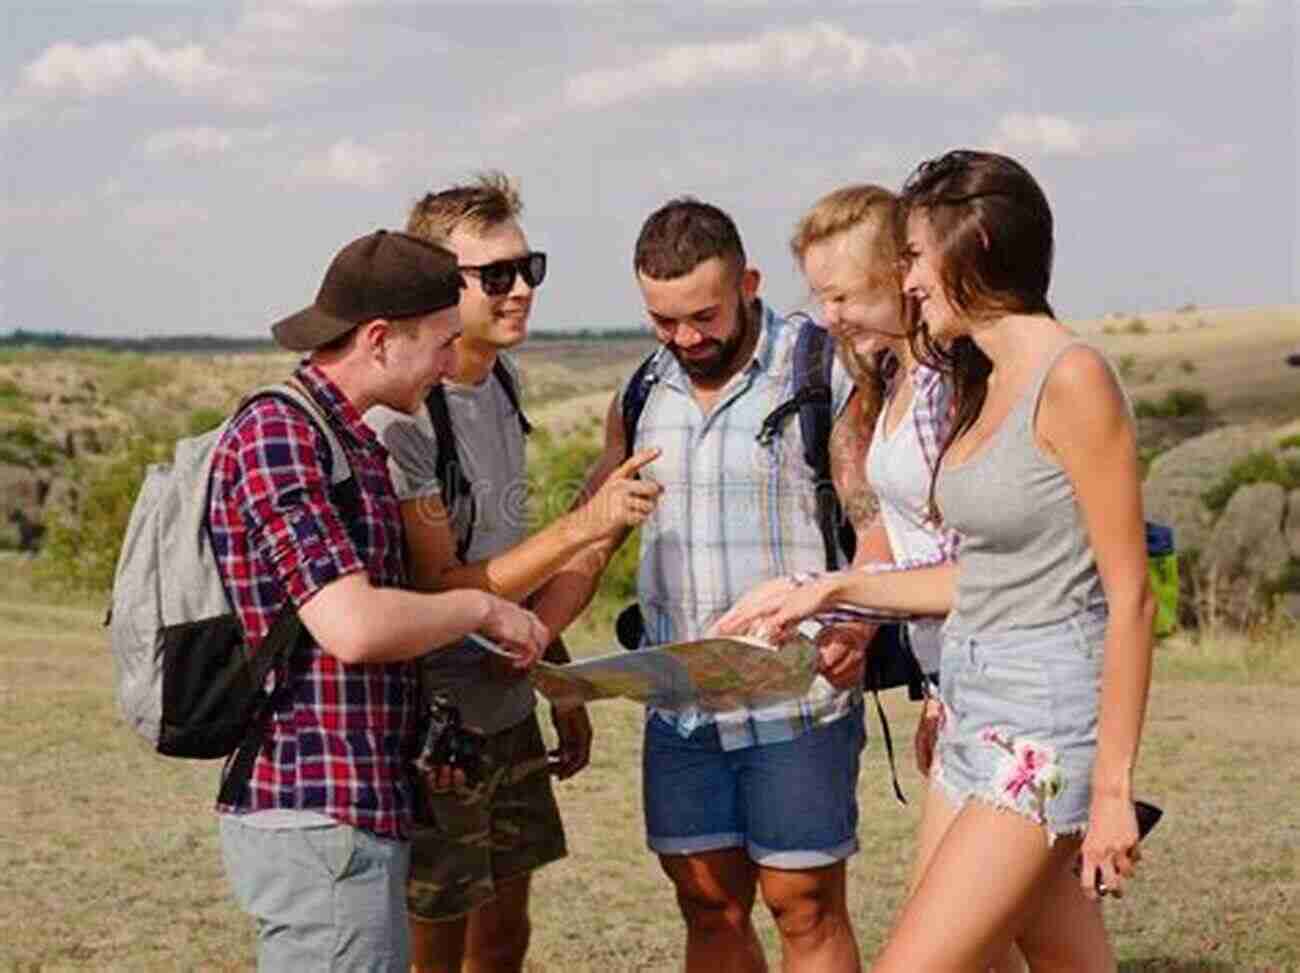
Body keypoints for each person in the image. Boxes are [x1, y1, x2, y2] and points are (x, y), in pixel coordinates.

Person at [717, 150, 1155, 971]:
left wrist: (1111, 791)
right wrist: (831, 588)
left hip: (1044, 723)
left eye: (915, 255)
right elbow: (978, 575)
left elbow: (1129, 597)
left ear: (976, 245)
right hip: (969, 703)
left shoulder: (1074, 378)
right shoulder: (982, 381)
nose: (908, 279)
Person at [533, 198, 871, 972]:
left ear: (748, 282)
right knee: (708, 906)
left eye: (703, 316)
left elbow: (876, 520)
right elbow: (593, 535)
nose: (685, 338)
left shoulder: (821, 370)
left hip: (798, 698)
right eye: (663, 319)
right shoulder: (642, 391)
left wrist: (860, 625)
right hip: (682, 712)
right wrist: (533, 635)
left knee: (804, 905)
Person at [208, 229, 550, 972]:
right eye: (439, 344)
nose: (447, 363)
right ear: (378, 339)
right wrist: (484, 608)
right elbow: (355, 626)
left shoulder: (352, 442)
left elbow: (389, 628)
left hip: (364, 800)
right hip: (313, 806)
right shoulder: (280, 434)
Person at [365, 173, 661, 973]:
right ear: (437, 283)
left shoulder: (500, 379)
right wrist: (585, 526)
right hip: (433, 720)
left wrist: (555, 675)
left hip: (503, 703)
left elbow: (504, 553)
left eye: (528, 267)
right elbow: (440, 590)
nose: (521, 289)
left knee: (506, 936)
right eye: (495, 275)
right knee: (440, 941)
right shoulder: (401, 418)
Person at [791, 184, 1025, 973]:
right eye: (819, 296)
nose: (830, 316)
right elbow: (896, 533)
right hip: (958, 679)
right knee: (1021, 941)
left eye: (844, 294)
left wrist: (833, 594)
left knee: (958, 942)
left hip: (1004, 683)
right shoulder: (895, 377)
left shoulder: (947, 385)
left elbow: (975, 560)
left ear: (901, 274)